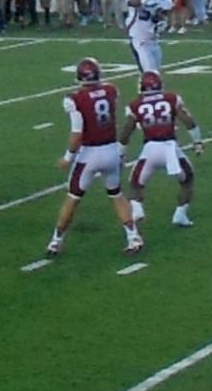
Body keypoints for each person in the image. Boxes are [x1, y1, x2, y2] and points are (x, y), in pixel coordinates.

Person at [45, 56, 141, 259]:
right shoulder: (111, 90)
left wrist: (68, 157)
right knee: (116, 194)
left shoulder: (75, 99)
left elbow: (77, 133)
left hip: (89, 154)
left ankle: (56, 241)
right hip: (111, 151)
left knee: (73, 198)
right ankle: (133, 237)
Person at [125, 70, 202, 232]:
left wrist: (121, 150)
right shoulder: (171, 98)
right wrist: (197, 142)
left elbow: (127, 130)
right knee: (187, 180)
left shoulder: (135, 104)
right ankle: (180, 214)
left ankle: (137, 209)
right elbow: (188, 121)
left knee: (135, 184)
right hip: (170, 149)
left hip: (150, 150)